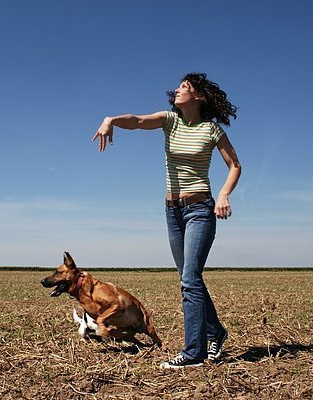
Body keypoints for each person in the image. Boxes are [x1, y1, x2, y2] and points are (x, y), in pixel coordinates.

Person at [92, 72, 241, 368]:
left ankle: (193, 352)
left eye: (184, 87)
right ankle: (217, 333)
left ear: (198, 96)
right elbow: (136, 120)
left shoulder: (212, 130)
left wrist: (224, 194)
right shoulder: (169, 121)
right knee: (190, 279)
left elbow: (234, 165)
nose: (177, 90)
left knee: (189, 280)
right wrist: (111, 119)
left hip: (200, 208)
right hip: (172, 211)